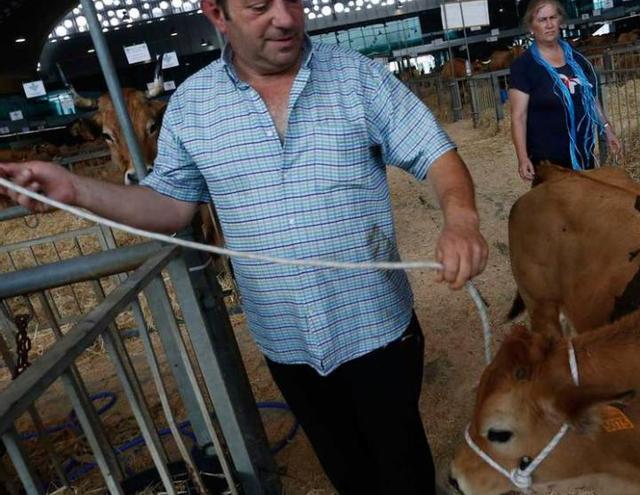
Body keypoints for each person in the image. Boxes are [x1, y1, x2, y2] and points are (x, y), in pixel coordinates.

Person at [0, 0, 488, 493]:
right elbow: (169, 206)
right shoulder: (193, 107)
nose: (285, 18)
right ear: (216, 13)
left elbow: (435, 151)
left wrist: (461, 218)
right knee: (347, 471)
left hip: (378, 330)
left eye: (292, 0)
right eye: (259, 6)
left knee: (403, 465)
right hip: (287, 343)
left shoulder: (358, 77)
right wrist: (74, 189)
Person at [510, 0, 622, 182]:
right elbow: (518, 117)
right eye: (542, 20)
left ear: (560, 20)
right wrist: (522, 158)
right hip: (548, 161)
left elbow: (590, 98)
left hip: (583, 153)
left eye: (553, 17)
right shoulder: (524, 67)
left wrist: (607, 129)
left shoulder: (577, 60)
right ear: (531, 26)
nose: (549, 24)